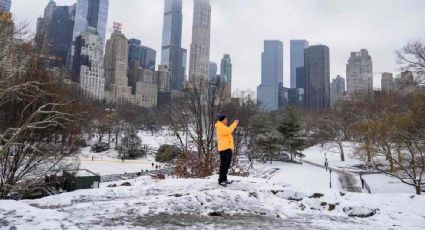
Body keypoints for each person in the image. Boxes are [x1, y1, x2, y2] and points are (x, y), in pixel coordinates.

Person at [215, 114, 239, 187]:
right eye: (225, 119)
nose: (226, 121)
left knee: (227, 165)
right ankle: (221, 180)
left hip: (228, 148)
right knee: (223, 165)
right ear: (222, 120)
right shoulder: (219, 126)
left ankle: (224, 179)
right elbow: (228, 131)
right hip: (224, 148)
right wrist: (234, 123)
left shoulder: (223, 126)